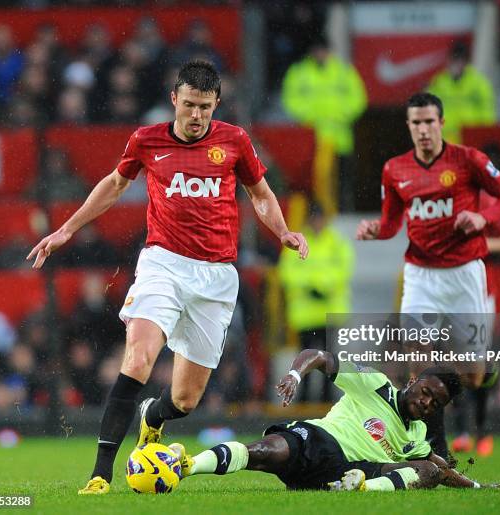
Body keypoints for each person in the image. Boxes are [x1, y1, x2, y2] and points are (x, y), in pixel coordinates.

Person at [26, 60, 309, 495]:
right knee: (137, 359)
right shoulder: (146, 139)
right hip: (163, 264)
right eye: (190, 105)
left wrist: (283, 230)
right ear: (174, 99)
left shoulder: (235, 141)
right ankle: (100, 474)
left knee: (184, 400)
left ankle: (151, 418)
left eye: (206, 108)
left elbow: (261, 195)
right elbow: (114, 185)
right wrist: (67, 228)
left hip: (216, 278)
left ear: (217, 105)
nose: (197, 116)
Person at [355, 92, 500, 458]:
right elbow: (391, 224)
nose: (424, 129)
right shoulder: (394, 169)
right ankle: (437, 451)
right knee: (421, 367)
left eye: (430, 121)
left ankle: (487, 369)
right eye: (416, 122)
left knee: (472, 376)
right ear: (409, 126)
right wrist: (374, 231)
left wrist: (482, 218)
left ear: (441, 123)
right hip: (420, 276)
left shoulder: (468, 160)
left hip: (464, 274)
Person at [173, 349, 500, 491]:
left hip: (350, 471)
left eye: (436, 402)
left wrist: (475, 486)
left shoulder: (416, 435)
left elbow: (440, 469)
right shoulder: (375, 383)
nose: (427, 402)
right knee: (261, 452)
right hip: (319, 442)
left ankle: (360, 490)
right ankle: (185, 466)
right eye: (427, 391)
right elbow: (321, 357)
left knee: (426, 470)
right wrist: (294, 374)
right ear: (414, 381)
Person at [451, 191, 500, 457]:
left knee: (477, 363)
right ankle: (461, 430)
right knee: (452, 361)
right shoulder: (437, 200)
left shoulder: (486, 203)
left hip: (480, 294)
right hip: (447, 293)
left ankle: (482, 428)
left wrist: (481, 244)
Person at [278, 200, 354, 401]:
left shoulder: (336, 242)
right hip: (306, 315)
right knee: (305, 360)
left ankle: (327, 401)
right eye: (316, 219)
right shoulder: (298, 242)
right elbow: (286, 272)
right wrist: (314, 286)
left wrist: (317, 286)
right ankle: (303, 400)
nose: (318, 223)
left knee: (328, 360)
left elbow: (344, 269)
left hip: (328, 313)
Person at [281, 36, 367, 211]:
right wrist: (312, 116)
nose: (320, 54)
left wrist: (339, 114)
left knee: (342, 182)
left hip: (339, 139)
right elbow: (290, 101)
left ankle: (342, 212)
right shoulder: (299, 72)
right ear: (311, 52)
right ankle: (319, 215)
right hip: (312, 139)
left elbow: (359, 99)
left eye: (323, 50)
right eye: (317, 51)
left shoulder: (343, 71)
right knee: (313, 182)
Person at [428, 41, 495, 144]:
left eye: (460, 60)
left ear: (466, 62)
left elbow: (488, 112)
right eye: (454, 59)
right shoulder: (439, 83)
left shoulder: (479, 84)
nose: (456, 64)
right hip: (445, 142)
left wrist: (483, 135)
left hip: (471, 141)